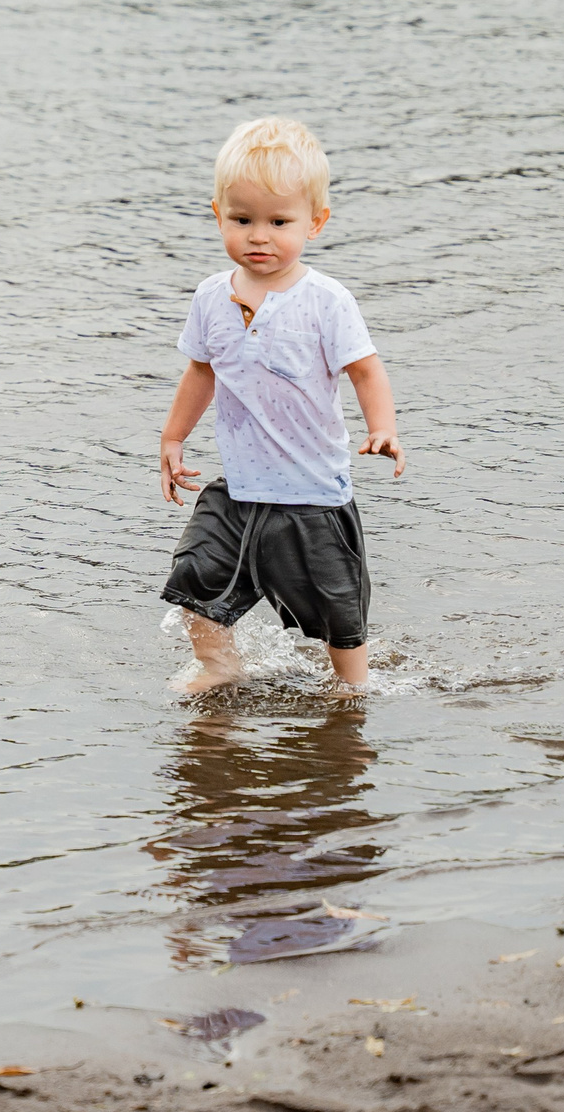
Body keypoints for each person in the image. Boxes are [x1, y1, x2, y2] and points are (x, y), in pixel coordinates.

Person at [159, 117, 404, 693]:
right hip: (240, 488)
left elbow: (365, 369)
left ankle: (353, 690)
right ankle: (220, 669)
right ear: (218, 214)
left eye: (278, 221)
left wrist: (383, 427)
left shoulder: (325, 301)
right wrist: (173, 438)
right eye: (242, 220)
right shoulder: (211, 298)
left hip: (312, 493)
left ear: (314, 223)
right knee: (195, 580)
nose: (259, 236)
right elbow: (200, 371)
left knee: (337, 614)